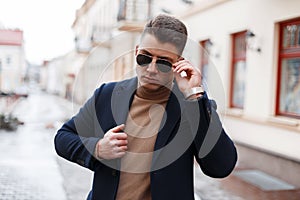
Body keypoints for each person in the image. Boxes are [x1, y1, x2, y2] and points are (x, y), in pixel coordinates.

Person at [54, 14, 237, 200]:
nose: (151, 69)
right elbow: (62, 138)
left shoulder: (191, 105)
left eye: (164, 63)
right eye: (145, 58)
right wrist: (98, 148)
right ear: (136, 51)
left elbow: (221, 166)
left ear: (178, 63)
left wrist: (194, 95)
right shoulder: (107, 95)